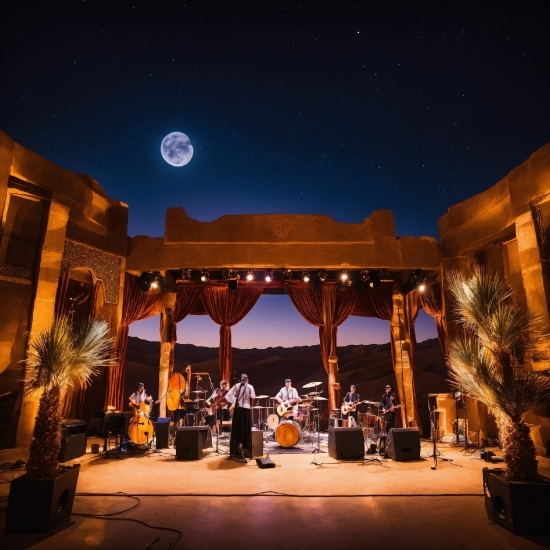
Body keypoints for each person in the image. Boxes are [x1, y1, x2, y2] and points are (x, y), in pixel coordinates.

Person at [225, 374, 256, 458]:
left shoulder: (236, 386)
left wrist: (235, 400)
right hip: (246, 409)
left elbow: (227, 396)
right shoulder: (250, 387)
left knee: (237, 429)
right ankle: (246, 449)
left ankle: (235, 449)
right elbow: (253, 397)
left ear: (241, 379)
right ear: (247, 379)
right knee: (245, 429)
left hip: (238, 410)